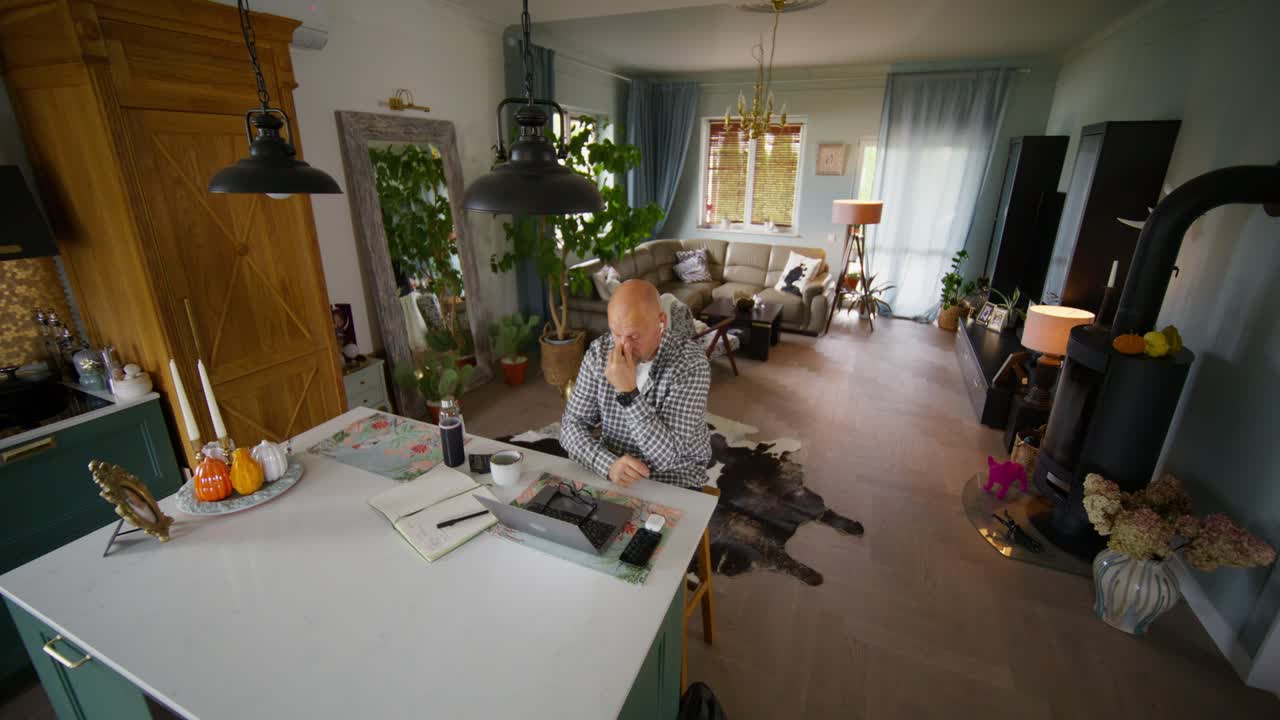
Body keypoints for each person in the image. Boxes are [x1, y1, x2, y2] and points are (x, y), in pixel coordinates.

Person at [561, 279, 711, 489]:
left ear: (661, 322)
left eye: (634, 336)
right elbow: (571, 425)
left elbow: (667, 458)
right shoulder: (599, 352)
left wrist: (628, 393)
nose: (624, 347)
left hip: (675, 476)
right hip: (614, 470)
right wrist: (608, 465)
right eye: (616, 333)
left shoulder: (690, 364)